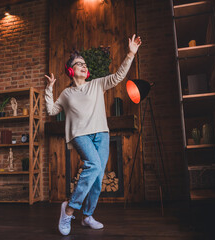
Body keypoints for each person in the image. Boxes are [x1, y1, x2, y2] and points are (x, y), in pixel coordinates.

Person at [44, 34, 142, 236]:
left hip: (102, 134)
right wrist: (49, 89)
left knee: (97, 177)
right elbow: (52, 111)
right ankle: (69, 209)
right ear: (71, 70)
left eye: (85, 64)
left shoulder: (96, 84)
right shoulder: (66, 94)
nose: (84, 66)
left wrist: (130, 54)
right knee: (95, 165)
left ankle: (87, 216)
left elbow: (118, 77)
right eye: (79, 63)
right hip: (80, 135)